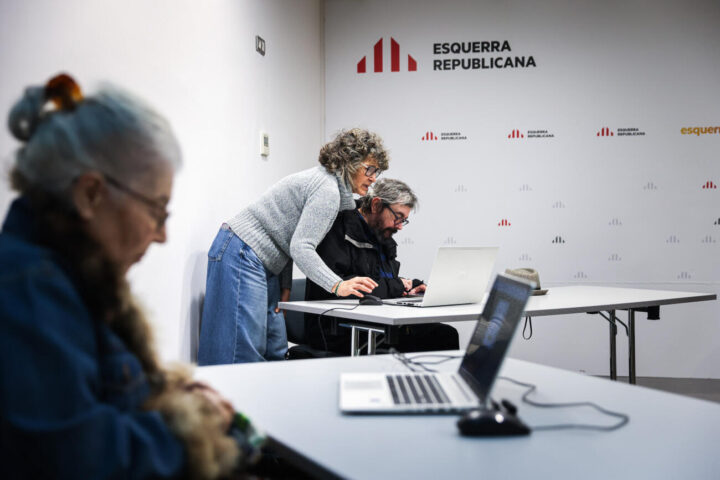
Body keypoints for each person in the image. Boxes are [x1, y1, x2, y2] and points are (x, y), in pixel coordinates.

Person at [0, 74, 257, 479]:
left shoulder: (65, 280)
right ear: (90, 194)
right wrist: (196, 424)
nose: (162, 234)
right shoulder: (28, 292)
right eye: (157, 209)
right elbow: (79, 462)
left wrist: (165, 394)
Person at [198, 129, 387, 364]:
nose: (373, 177)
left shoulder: (330, 188)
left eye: (377, 171)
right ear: (350, 162)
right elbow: (301, 246)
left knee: (275, 350)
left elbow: (285, 233)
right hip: (241, 252)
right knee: (241, 355)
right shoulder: (326, 190)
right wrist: (338, 285)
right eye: (370, 169)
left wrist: (285, 284)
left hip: (261, 262)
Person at [304, 178, 459, 355]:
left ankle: (436, 383)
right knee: (430, 340)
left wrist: (410, 285)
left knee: (444, 334)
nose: (400, 227)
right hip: (336, 329)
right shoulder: (338, 229)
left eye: (404, 221)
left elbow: (381, 279)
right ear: (376, 205)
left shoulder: (380, 235)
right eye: (398, 217)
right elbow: (345, 286)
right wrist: (397, 286)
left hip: (372, 324)